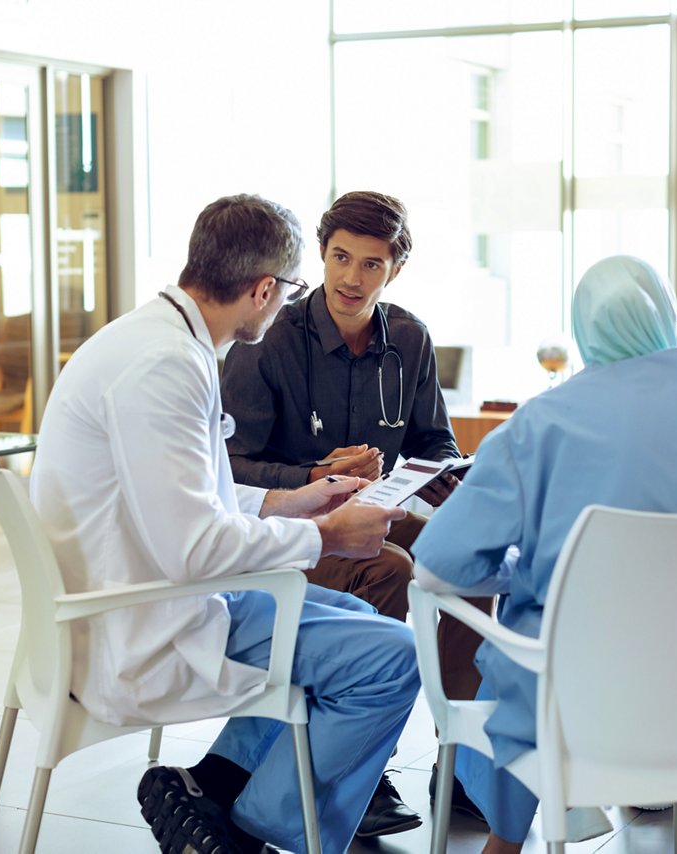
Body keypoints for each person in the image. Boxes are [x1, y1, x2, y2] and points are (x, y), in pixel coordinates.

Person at [30, 194, 421, 854]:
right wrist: (328, 536)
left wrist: (293, 502)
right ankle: (254, 831)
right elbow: (195, 549)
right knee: (392, 659)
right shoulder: (166, 367)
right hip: (140, 623)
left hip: (137, 595)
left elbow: (182, 501)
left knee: (374, 625)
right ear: (264, 288)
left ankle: (212, 791)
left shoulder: (155, 339)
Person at [412, 255, 677, 853]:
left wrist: (528, 572)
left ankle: (506, 840)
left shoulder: (539, 423)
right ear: (669, 315)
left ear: (582, 326)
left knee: (527, 649)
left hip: (583, 710)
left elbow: (436, 564)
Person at [220, 190, 492, 834]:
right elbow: (229, 467)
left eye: (371, 264)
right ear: (320, 254)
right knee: (391, 569)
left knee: (472, 562)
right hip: (292, 537)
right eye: (341, 257)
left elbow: (433, 444)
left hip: (380, 516)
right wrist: (314, 476)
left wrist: (447, 479)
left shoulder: (409, 339)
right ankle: (364, 774)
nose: (351, 277)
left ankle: (465, 767)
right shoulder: (268, 341)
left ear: (394, 269)